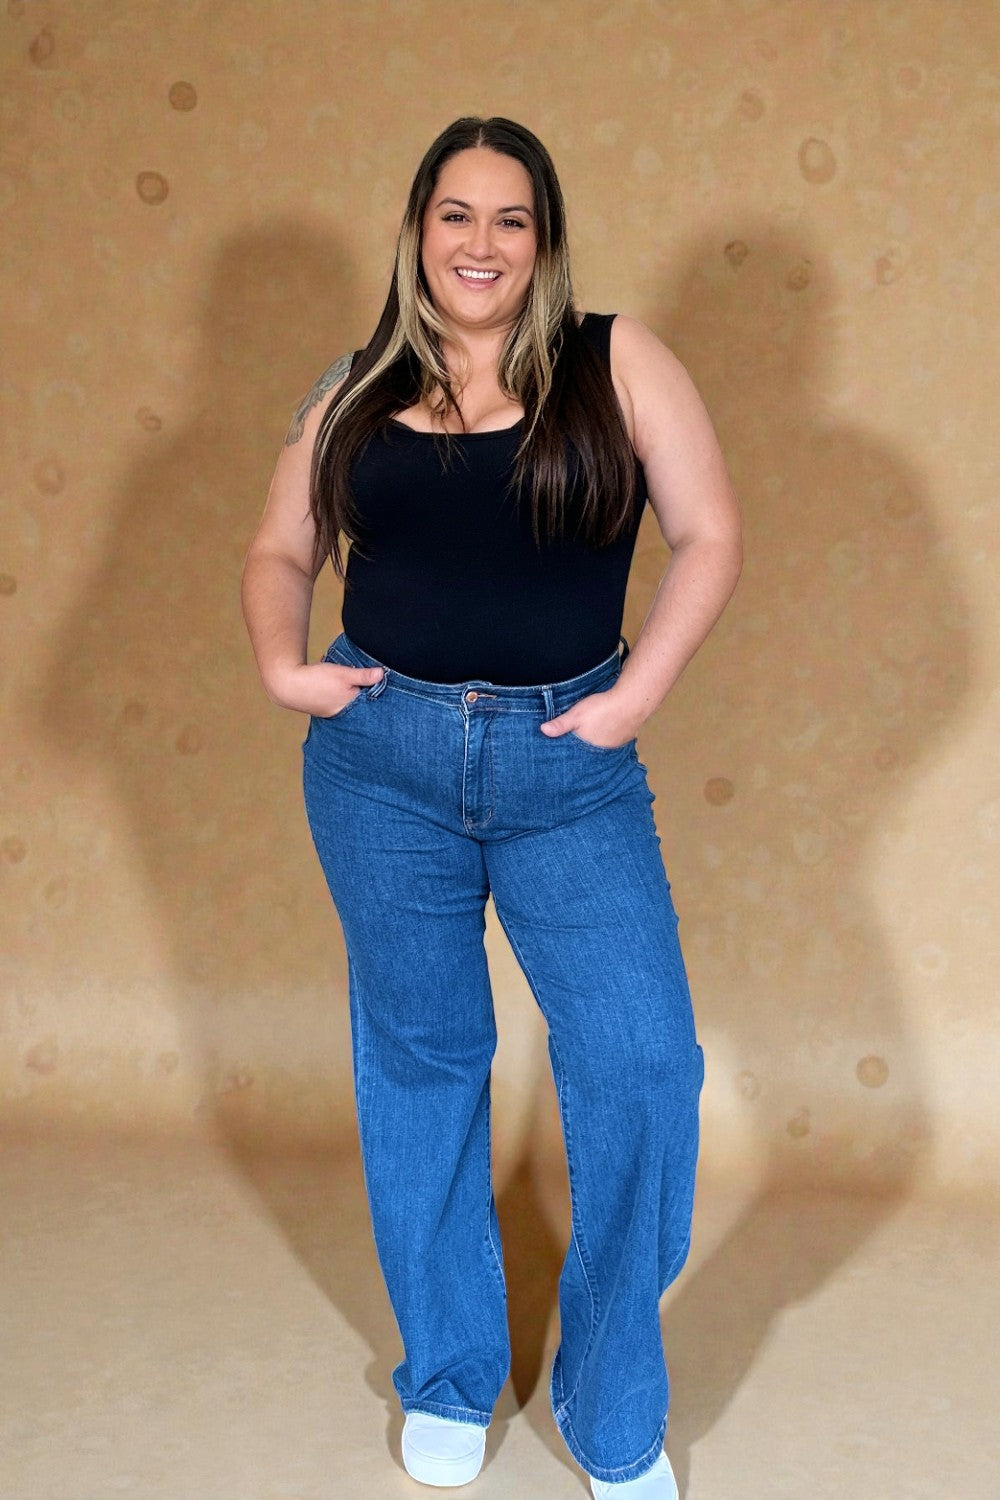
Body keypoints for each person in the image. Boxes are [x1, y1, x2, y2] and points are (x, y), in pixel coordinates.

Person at [241, 116, 742, 1498]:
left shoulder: (615, 361)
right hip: (381, 764)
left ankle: (606, 1394)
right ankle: (454, 1371)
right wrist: (287, 667)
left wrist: (636, 696)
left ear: (545, 238)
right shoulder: (354, 386)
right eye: (455, 216)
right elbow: (283, 546)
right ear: (416, 232)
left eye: (510, 219)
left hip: (567, 769)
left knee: (642, 1066)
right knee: (424, 1061)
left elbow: (708, 533)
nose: (480, 244)